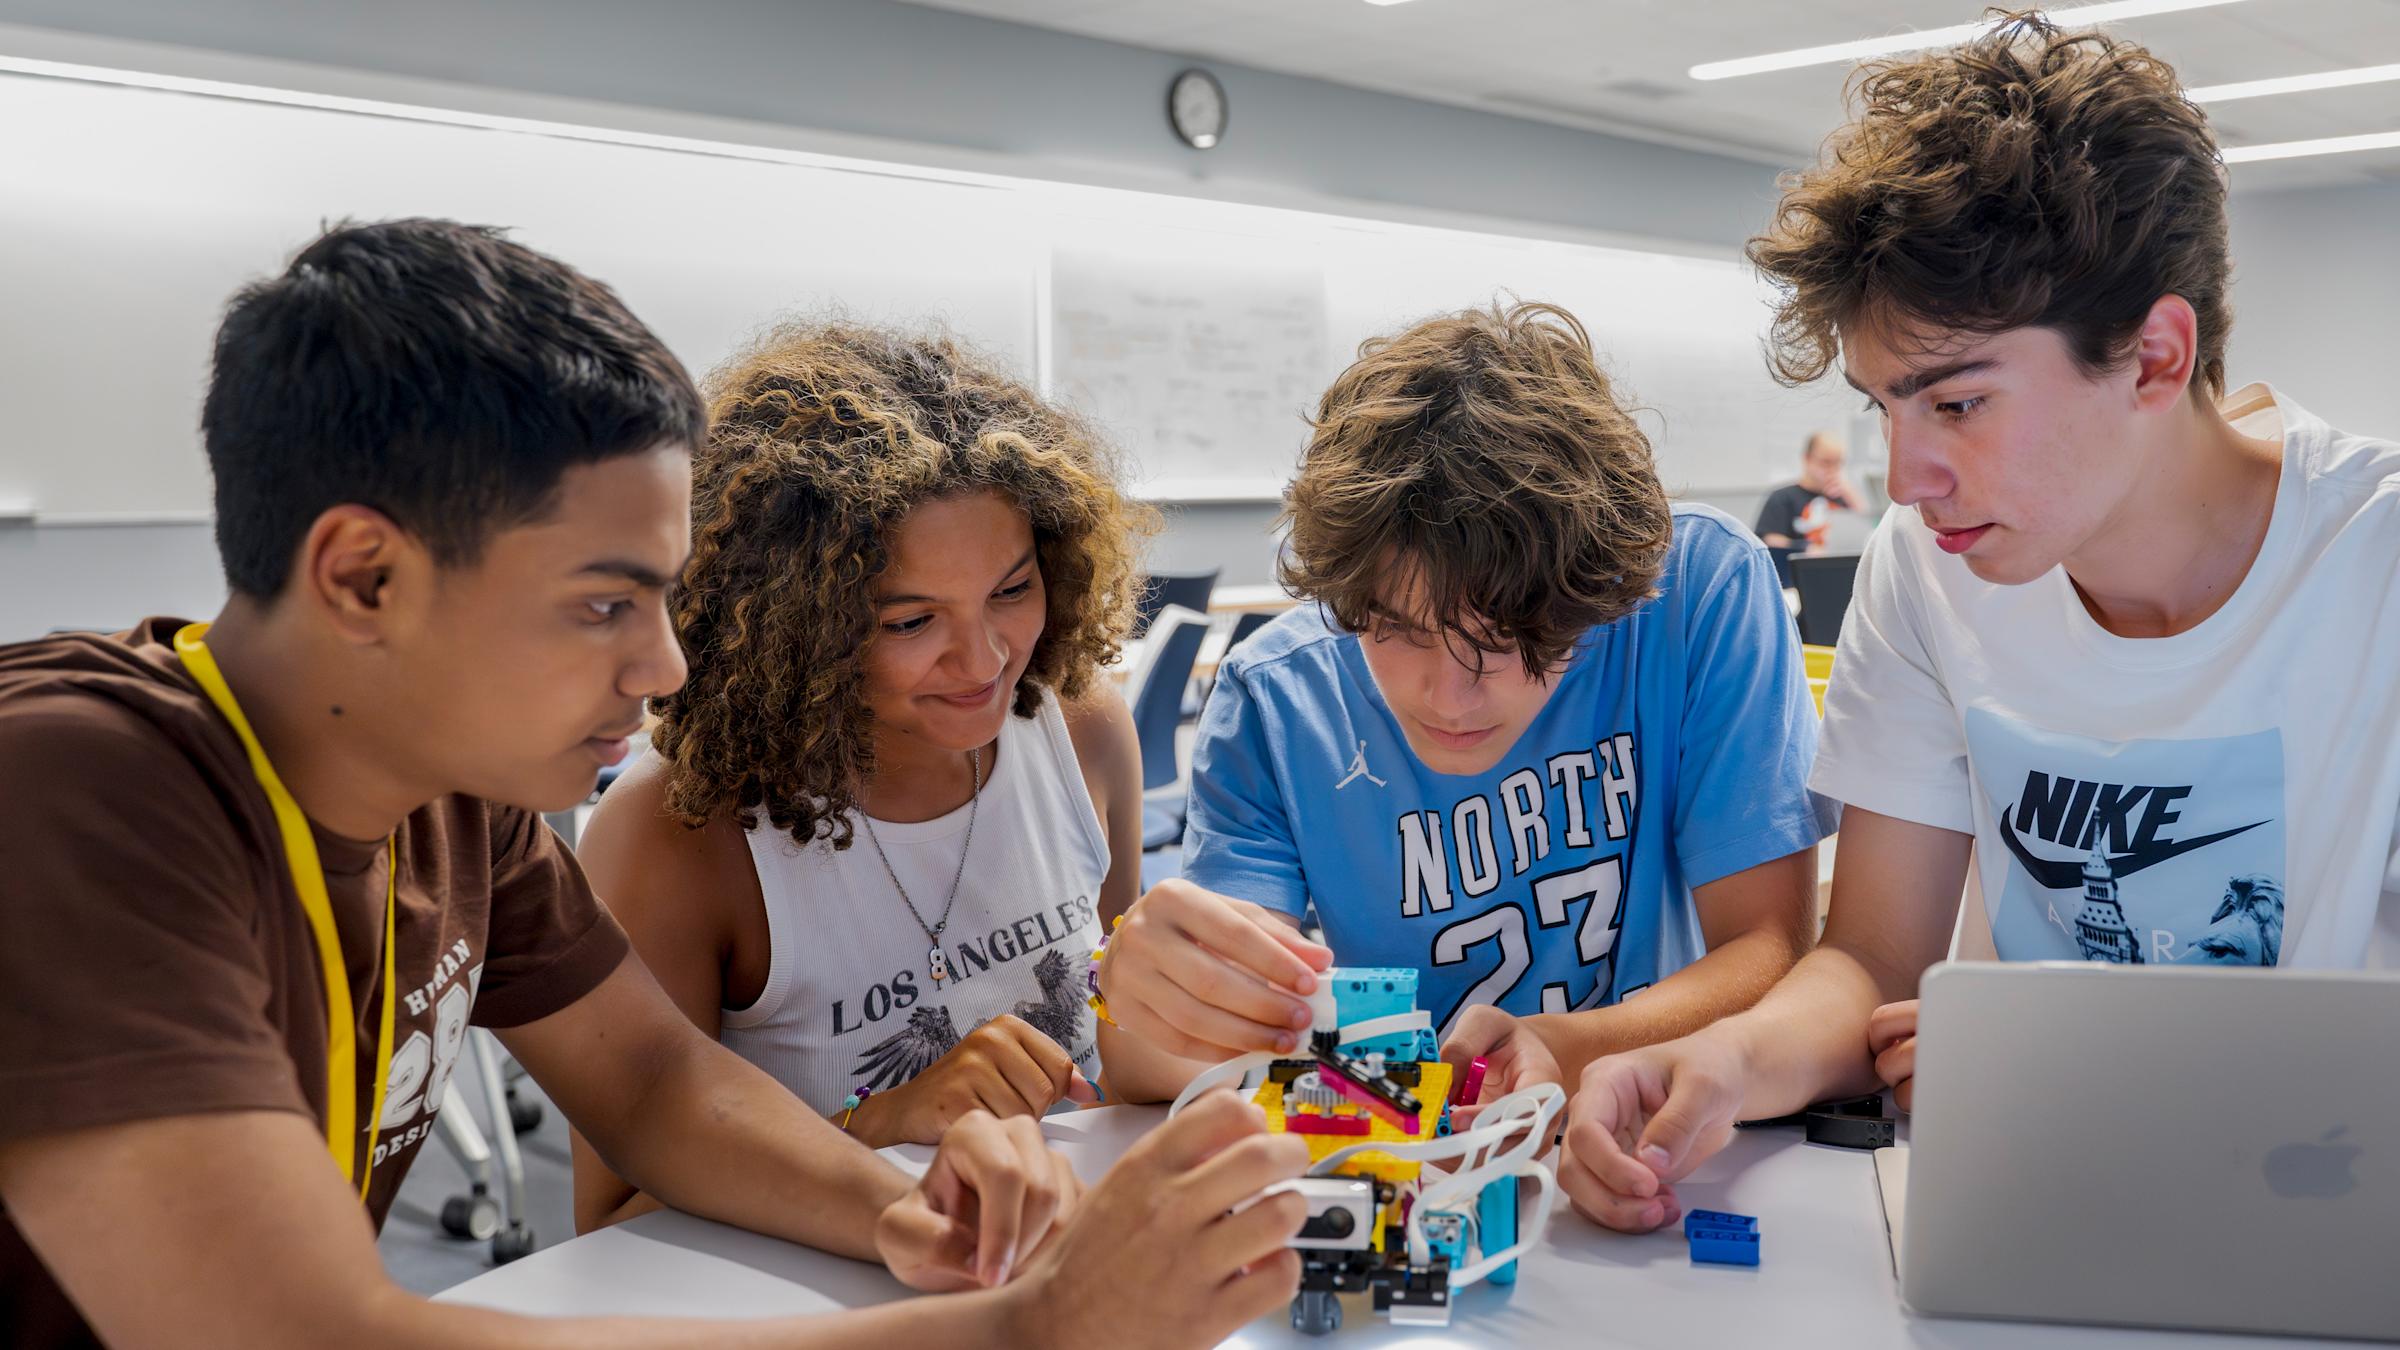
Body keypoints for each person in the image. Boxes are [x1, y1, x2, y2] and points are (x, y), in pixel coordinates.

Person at [0, 218, 1308, 1348]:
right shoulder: (69, 781)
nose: (666, 661)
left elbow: (660, 1087)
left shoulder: (457, 801)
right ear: (362, 578)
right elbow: (317, 1333)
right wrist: (1024, 1325)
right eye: (604, 603)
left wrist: (902, 1208)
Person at [1560, 17, 2400, 1237]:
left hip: (2323, 1228)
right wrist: (1730, 1065)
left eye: (1958, 401)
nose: (1907, 479)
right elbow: (1875, 965)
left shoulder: (2373, 561)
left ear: (2156, 357)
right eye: (1886, 409)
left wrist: (2064, 1077)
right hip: (2021, 1219)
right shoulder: (1932, 569)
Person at [1090, 300, 1834, 1114]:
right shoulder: (1276, 698)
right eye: (1398, 629)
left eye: (1507, 636)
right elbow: (1179, 1058)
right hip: (1408, 1161)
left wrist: (1570, 1049)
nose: (1449, 697)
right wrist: (1137, 1004)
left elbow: (1770, 947)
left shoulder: (1695, 591)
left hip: (1661, 1129)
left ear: (1598, 597)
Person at [571, 321, 1198, 1227]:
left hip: (1059, 1264)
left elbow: (1122, 1052)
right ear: (797, 628)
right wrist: (886, 1122)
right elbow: (612, 1223)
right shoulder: (678, 833)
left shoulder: (1080, 728)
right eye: (911, 623)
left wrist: (1195, 1005)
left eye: (1012, 591)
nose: (984, 659)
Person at [1752, 431, 1860, 584]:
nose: (1832, 469)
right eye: (1825, 462)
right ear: (1807, 459)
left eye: (1838, 463)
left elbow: (1865, 527)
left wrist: (1850, 493)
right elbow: (1771, 539)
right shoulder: (1783, 497)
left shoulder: (1843, 497)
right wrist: (1807, 548)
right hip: (1797, 579)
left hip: (1838, 576)